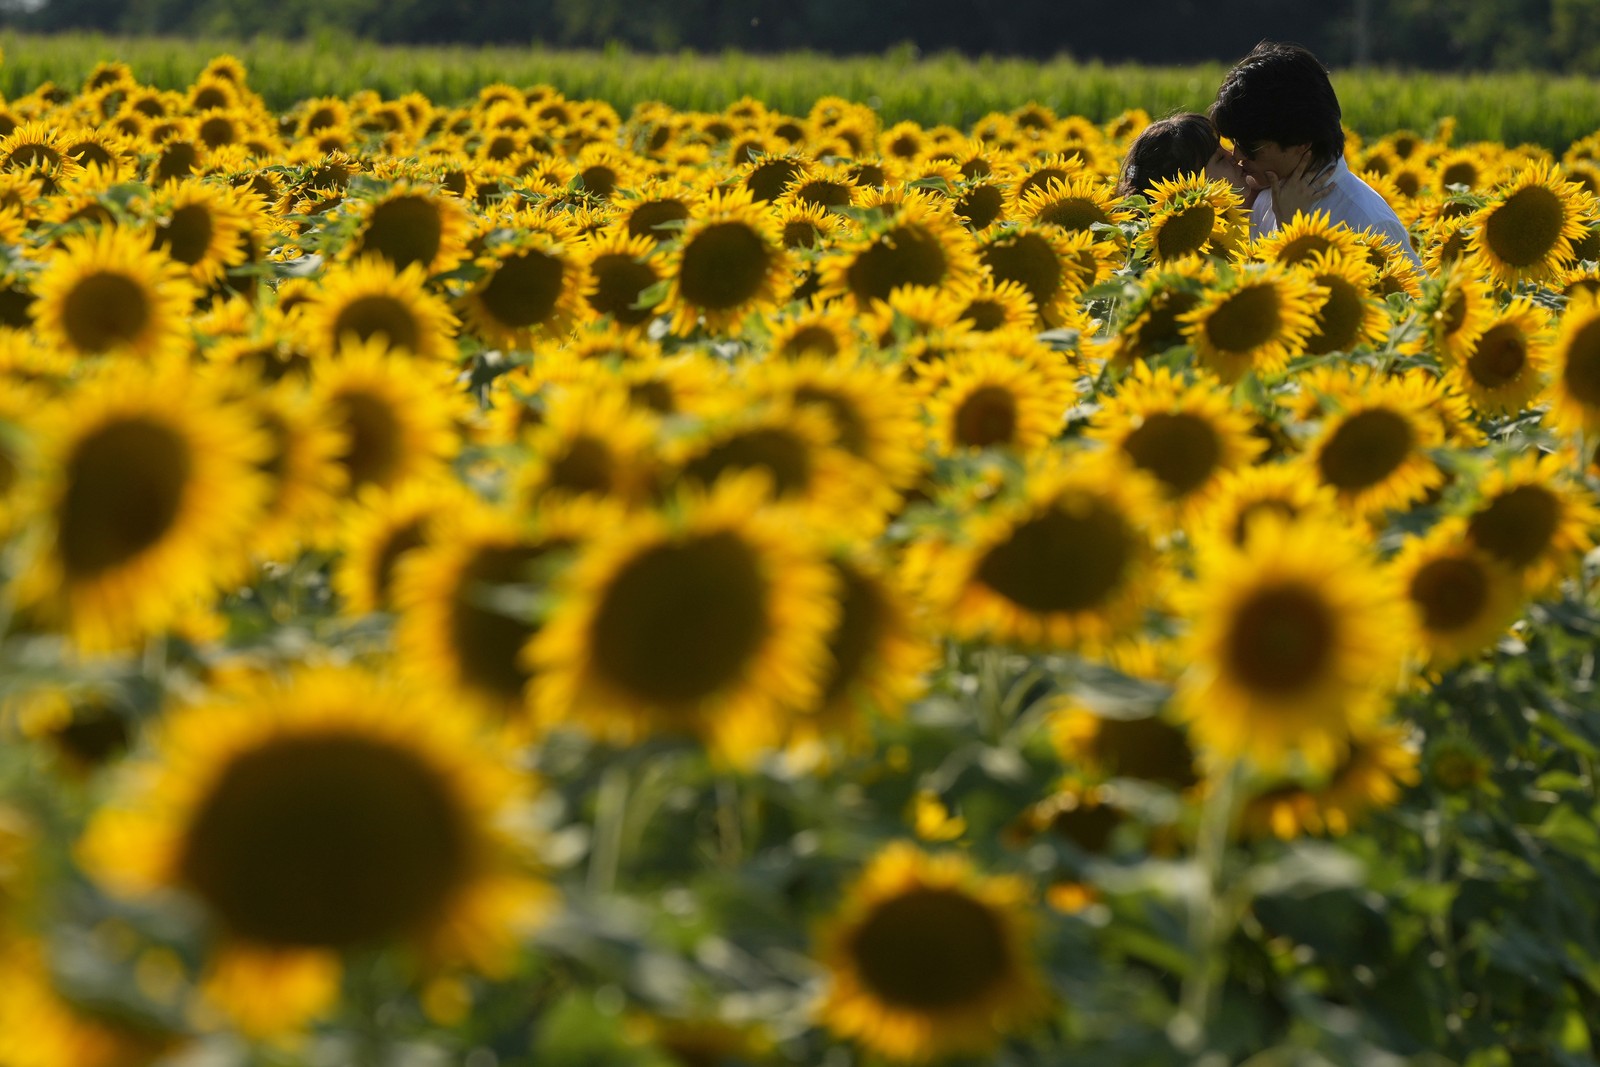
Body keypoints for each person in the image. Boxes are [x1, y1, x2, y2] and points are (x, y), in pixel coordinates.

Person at [1210, 40, 1423, 266]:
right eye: (1234, 142)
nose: (1238, 155)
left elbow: (1412, 300)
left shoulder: (1369, 222)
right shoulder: (1265, 202)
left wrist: (1292, 233)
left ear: (1301, 142)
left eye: (1250, 146)